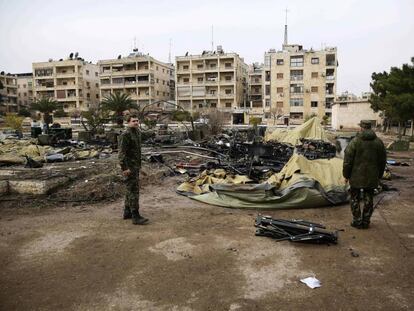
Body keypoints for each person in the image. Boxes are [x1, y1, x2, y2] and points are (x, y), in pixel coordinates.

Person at [343, 120, 387, 229]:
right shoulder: (378, 143)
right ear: (370, 127)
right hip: (372, 176)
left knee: (354, 198)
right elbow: (382, 161)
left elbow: (348, 161)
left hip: (355, 176)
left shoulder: (355, 142)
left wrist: (346, 175)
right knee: (369, 198)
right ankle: (366, 221)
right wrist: (379, 175)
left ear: (361, 128)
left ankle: (357, 221)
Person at [118, 115, 148, 225]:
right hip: (129, 167)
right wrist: (124, 168)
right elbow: (121, 153)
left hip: (135, 167)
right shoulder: (125, 134)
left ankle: (127, 212)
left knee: (129, 190)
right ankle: (135, 216)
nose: (136, 122)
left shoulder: (137, 133)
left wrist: (140, 168)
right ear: (128, 122)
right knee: (133, 191)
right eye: (133, 121)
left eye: (137, 120)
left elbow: (137, 152)